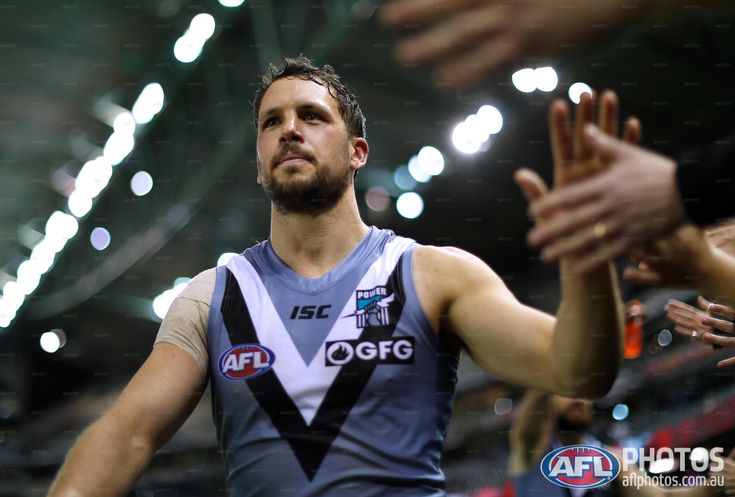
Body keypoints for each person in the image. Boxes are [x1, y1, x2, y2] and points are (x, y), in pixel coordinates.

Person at [46, 57, 625, 497]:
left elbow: (579, 369)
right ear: (258, 159)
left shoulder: (433, 273)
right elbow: (128, 432)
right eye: (272, 122)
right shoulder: (210, 299)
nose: (289, 130)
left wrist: (591, 254)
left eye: (311, 116)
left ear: (357, 151)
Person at [509, 389, 729, 497]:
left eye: (583, 392)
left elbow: (664, 496)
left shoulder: (611, 461)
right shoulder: (532, 455)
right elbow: (524, 426)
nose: (578, 398)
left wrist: (718, 483)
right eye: (566, 391)